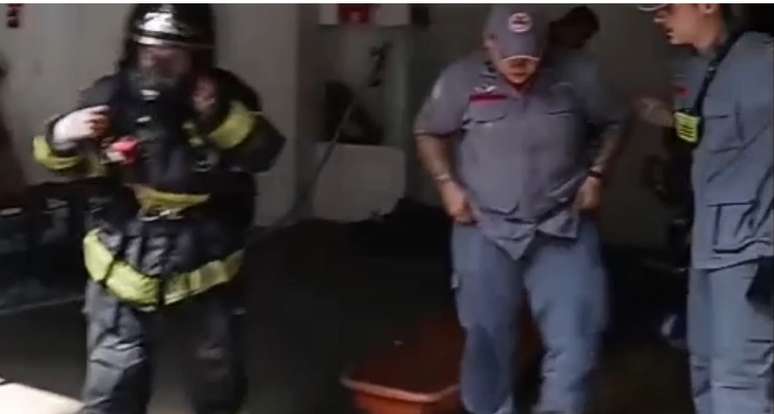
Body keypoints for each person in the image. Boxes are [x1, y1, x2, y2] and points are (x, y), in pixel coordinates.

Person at [32, 4, 286, 413]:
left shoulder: (226, 95)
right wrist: (61, 135)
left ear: (198, 56)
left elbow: (263, 152)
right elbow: (70, 165)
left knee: (216, 376)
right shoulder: (109, 96)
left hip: (205, 259)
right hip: (123, 254)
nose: (158, 64)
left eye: (173, 55)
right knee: (115, 379)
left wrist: (218, 115)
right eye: (149, 52)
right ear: (132, 49)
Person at [414, 5, 626, 414]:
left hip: (561, 225)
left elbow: (617, 120)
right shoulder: (461, 78)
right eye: (510, 59)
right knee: (487, 342)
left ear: (545, 46)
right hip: (485, 226)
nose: (520, 68)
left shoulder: (579, 74)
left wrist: (597, 174)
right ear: (488, 44)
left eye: (529, 59)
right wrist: (446, 184)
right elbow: (427, 130)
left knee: (577, 338)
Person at [638, 4, 773, 414]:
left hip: (752, 247)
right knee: (704, 368)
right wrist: (668, 120)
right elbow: (697, 132)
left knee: (740, 381)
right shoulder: (691, 69)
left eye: (668, 8)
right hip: (707, 245)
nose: (659, 19)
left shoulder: (763, 59)